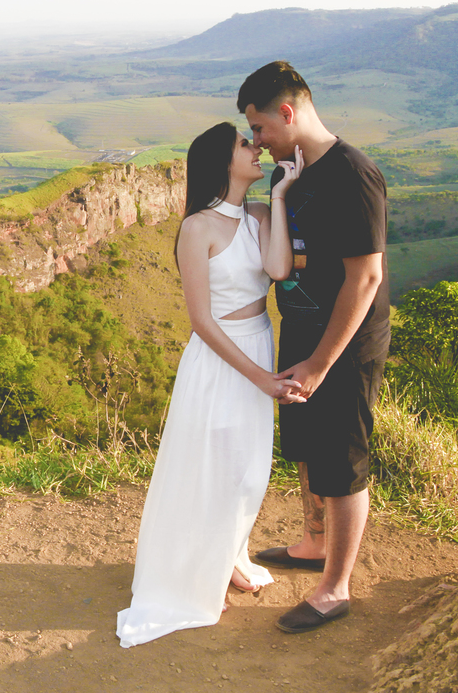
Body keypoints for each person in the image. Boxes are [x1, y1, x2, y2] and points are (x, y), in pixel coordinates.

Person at [116, 121, 303, 648]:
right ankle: (198, 572)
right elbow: (202, 321)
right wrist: (262, 379)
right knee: (213, 466)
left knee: (249, 470)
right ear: (222, 162)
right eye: (247, 145)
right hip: (221, 359)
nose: (257, 148)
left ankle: (227, 555)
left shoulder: (260, 215)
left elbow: (278, 266)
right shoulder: (197, 228)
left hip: (258, 341)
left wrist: (281, 196)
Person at [238, 61, 390, 634]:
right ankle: (311, 544)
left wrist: (323, 364)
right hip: (302, 330)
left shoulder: (352, 173)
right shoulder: (295, 171)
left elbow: (366, 278)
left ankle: (334, 589)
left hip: (344, 345)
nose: (258, 142)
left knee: (341, 461)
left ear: (286, 112)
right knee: (305, 446)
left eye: (260, 129)